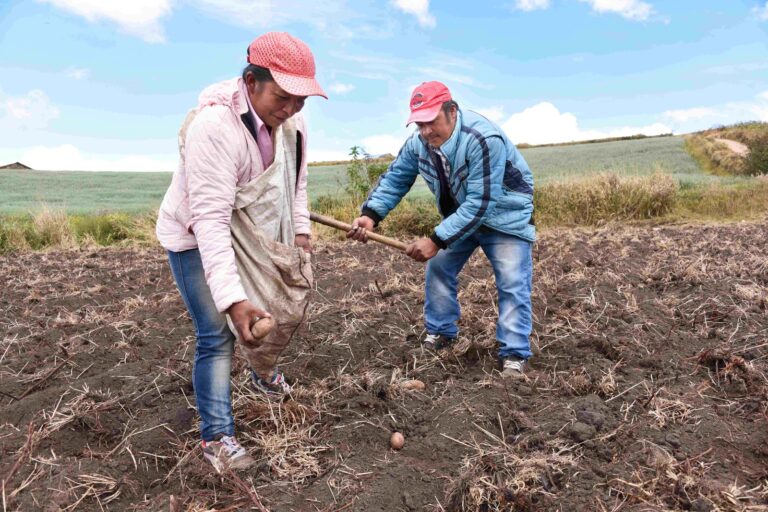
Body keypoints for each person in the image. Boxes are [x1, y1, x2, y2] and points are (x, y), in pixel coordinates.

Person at [155, 32, 326, 471]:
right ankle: (217, 438)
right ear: (251, 82)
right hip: (196, 236)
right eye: (282, 97)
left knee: (274, 306)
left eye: (300, 101)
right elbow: (210, 222)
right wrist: (232, 301)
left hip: (250, 231)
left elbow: (296, 181)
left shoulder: (294, 124)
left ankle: (263, 372)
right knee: (216, 333)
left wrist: (301, 231)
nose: (289, 109)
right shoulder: (214, 128)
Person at [347, 81, 534, 380]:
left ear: (452, 111)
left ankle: (513, 353)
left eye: (431, 121)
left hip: (504, 217)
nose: (425, 131)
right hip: (461, 216)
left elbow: (482, 202)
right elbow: (396, 178)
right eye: (419, 123)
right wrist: (370, 216)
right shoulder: (418, 143)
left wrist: (436, 239)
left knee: (512, 281)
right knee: (439, 267)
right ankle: (442, 332)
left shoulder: (484, 138)